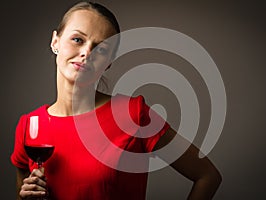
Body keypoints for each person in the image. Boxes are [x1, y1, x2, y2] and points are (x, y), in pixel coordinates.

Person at [11, 1, 222, 200]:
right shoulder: (30, 125)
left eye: (101, 49)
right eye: (78, 39)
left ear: (109, 62)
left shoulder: (131, 114)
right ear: (55, 41)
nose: (87, 53)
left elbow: (207, 176)